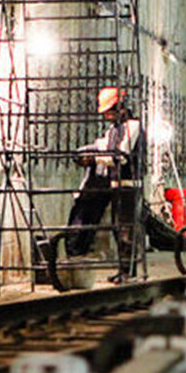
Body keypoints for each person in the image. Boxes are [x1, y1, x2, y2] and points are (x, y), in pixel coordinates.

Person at [63, 86, 144, 281]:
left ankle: (129, 272)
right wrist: (87, 151)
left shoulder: (132, 126)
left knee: (125, 229)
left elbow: (120, 155)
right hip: (116, 184)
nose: (106, 116)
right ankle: (123, 270)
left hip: (128, 184)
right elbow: (103, 145)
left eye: (109, 112)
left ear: (120, 108)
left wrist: (94, 158)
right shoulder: (114, 129)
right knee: (118, 228)